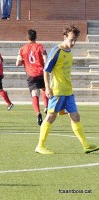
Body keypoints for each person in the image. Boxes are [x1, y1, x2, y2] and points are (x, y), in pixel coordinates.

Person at [35, 25, 99, 154]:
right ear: (65, 37)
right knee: (51, 117)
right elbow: (46, 70)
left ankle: (86, 145)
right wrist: (47, 88)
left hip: (68, 91)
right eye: (71, 40)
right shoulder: (56, 50)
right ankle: (40, 146)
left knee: (75, 116)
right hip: (57, 91)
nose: (73, 43)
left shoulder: (69, 52)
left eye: (75, 40)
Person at [16, 29, 48, 126]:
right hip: (41, 73)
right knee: (44, 89)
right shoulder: (40, 47)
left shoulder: (22, 49)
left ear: (27, 38)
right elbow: (46, 60)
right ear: (36, 37)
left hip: (31, 75)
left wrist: (24, 62)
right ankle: (46, 107)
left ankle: (38, 113)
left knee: (35, 93)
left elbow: (17, 63)